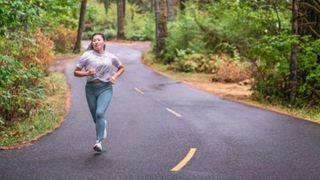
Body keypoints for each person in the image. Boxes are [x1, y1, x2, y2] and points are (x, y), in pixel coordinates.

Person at [74, 32, 125, 152]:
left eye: (98, 40)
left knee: (99, 113)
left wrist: (114, 77)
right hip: (90, 89)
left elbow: (121, 67)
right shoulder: (86, 55)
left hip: (105, 88)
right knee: (95, 118)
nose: (96, 42)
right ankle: (102, 125)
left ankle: (98, 142)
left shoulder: (110, 56)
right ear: (92, 43)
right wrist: (87, 73)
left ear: (104, 42)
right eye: (94, 40)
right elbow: (76, 72)